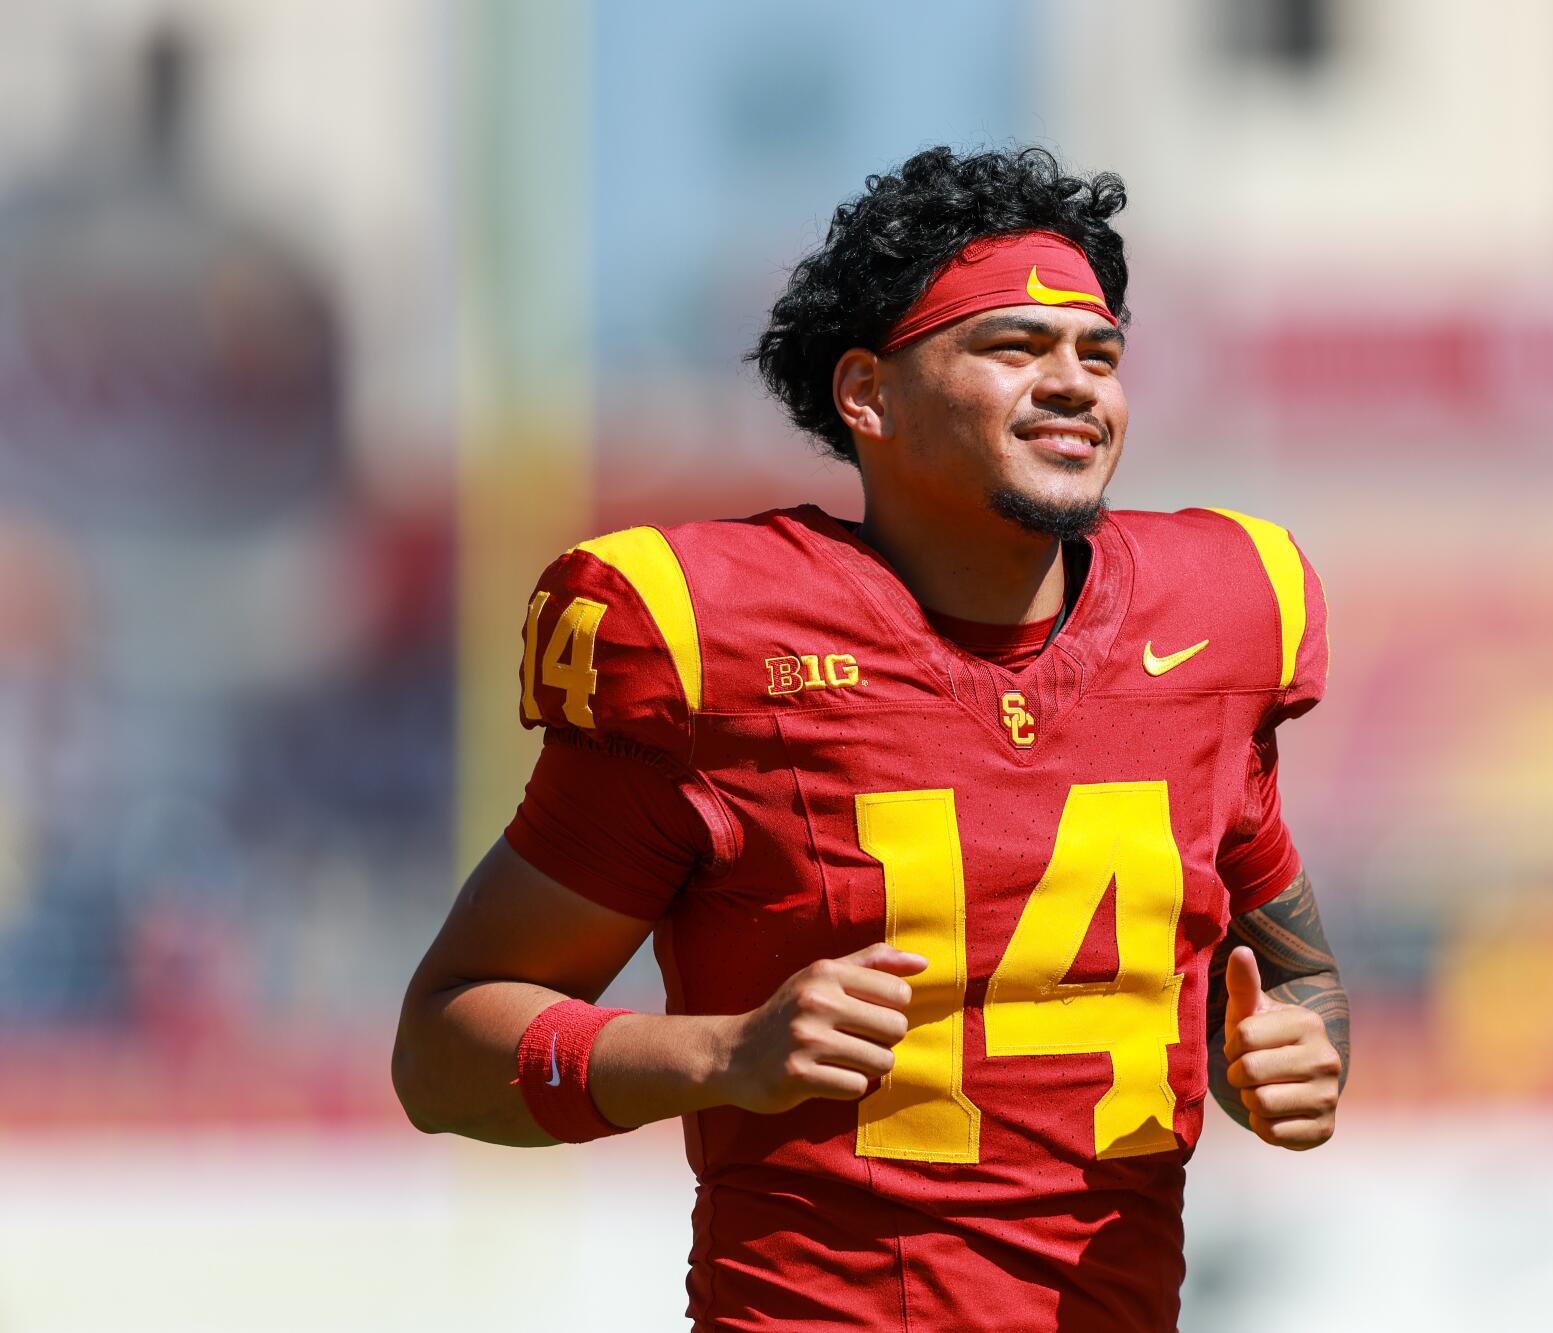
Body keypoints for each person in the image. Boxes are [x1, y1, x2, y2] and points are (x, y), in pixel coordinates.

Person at [392, 145, 1349, 1332]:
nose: (1073, 383)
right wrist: (721, 1054)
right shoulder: (717, 644)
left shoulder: (1217, 614)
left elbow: (1291, 970)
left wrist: (1300, 1056)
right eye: (1012, 346)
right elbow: (442, 1050)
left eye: (1097, 354)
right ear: (868, 394)